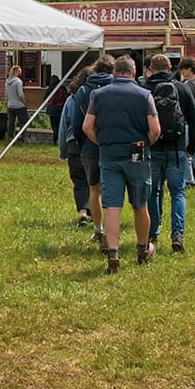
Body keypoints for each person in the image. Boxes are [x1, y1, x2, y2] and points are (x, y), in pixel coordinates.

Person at [83, 56, 159, 273]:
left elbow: (87, 126)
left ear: (114, 73)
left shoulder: (98, 94)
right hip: (136, 150)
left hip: (109, 153)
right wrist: (145, 144)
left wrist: (102, 142)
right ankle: (143, 249)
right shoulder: (144, 95)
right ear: (133, 73)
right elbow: (155, 129)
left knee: (112, 206)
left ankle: (113, 252)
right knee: (140, 203)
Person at [141, 54, 195, 254]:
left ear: (151, 68)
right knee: (178, 192)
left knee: (153, 191)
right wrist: (192, 147)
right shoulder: (182, 88)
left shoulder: (144, 89)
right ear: (170, 67)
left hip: (151, 147)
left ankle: (152, 231)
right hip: (176, 146)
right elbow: (192, 119)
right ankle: (177, 234)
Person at [61, 57, 113, 247]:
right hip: (114, 146)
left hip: (90, 147)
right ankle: (111, 230)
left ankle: (99, 230)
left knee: (94, 189)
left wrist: (82, 143)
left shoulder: (83, 91)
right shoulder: (118, 87)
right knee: (113, 189)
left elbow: (76, 124)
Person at [4, 66, 28, 141]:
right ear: (17, 72)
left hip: (10, 105)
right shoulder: (18, 81)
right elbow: (20, 94)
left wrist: (7, 102)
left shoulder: (7, 82)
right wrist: (24, 102)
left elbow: (6, 95)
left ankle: (10, 137)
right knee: (24, 121)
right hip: (19, 105)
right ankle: (20, 136)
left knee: (11, 122)